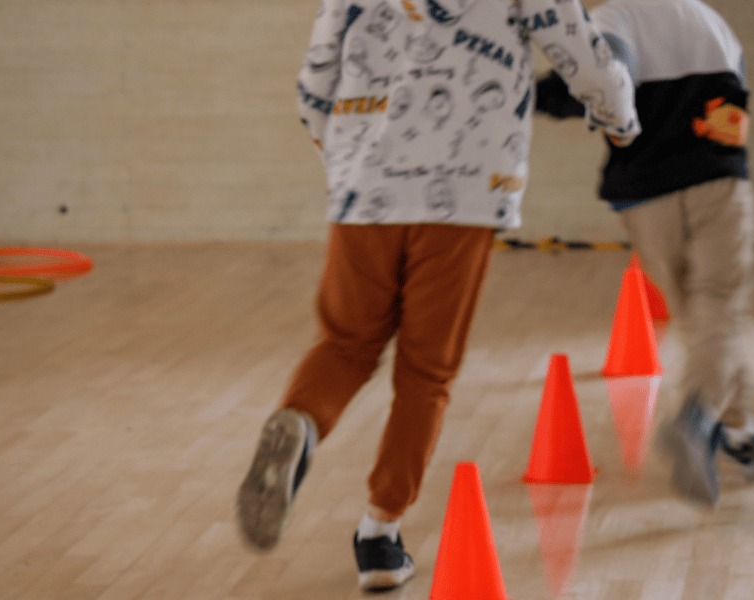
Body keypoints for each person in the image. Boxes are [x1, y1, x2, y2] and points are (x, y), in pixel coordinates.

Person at [236, 0, 640, 592]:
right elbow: (578, 50)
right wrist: (622, 117)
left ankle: (301, 420)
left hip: (364, 184)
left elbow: (318, 73)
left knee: (347, 342)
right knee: (426, 370)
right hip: (464, 190)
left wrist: (344, 158)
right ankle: (379, 533)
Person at [534, 0, 754, 506]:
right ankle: (702, 420)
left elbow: (601, 86)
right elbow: (738, 111)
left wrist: (527, 90)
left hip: (648, 195)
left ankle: (741, 434)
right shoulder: (713, 24)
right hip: (719, 182)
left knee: (701, 315)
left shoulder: (611, 22)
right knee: (719, 308)